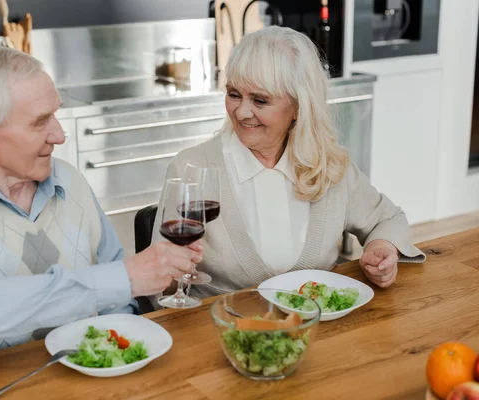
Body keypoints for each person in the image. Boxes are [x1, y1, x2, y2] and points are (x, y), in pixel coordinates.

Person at [0, 47, 203, 367]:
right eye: (40, 121)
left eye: (56, 115)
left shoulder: (69, 181)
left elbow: (119, 304)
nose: (59, 135)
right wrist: (124, 277)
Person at [150, 26, 425, 301]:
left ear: (298, 106)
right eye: (234, 94)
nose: (242, 112)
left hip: (320, 330)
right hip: (221, 330)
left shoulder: (327, 164)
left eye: (260, 100)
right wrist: (170, 277)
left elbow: (388, 218)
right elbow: (160, 285)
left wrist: (382, 247)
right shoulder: (191, 166)